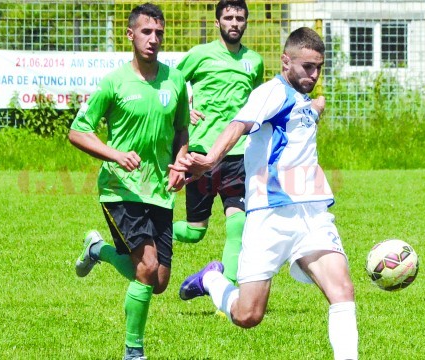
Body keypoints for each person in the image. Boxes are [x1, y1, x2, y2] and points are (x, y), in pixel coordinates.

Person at [172, 27, 358, 360]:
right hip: (270, 215)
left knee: (342, 291)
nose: (314, 75)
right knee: (248, 315)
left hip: (312, 213)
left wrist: (315, 108)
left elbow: (297, 123)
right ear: (285, 61)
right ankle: (212, 279)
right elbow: (238, 125)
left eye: (319, 67)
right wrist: (211, 159)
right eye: (307, 67)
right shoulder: (270, 92)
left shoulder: (300, 98)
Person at [68, 3, 190, 360]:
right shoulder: (114, 82)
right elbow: (78, 132)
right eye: (146, 32)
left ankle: (97, 250)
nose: (153, 40)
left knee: (159, 282)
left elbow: (181, 129)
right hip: (120, 188)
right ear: (130, 34)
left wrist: (180, 161)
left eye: (159, 33)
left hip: (160, 191)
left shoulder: (175, 80)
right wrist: (115, 155)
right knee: (147, 268)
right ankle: (133, 351)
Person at [173, 0, 264, 284]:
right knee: (194, 232)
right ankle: (155, 229)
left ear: (246, 22)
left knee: (238, 223)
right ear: (217, 22)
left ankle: (228, 292)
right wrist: (185, 106)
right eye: (228, 17)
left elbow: (258, 101)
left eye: (239, 17)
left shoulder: (255, 61)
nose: (234, 22)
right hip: (201, 154)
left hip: (239, 154)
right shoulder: (200, 55)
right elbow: (171, 83)